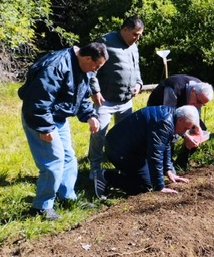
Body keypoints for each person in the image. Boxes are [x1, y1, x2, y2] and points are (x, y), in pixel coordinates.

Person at [18, 42, 108, 220]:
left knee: (68, 158)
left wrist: (89, 114)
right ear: (88, 58)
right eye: (96, 66)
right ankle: (41, 208)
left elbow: (80, 95)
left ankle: (67, 198)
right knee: (53, 161)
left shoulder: (83, 68)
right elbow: (38, 99)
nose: (96, 70)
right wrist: (44, 127)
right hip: (40, 117)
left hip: (58, 117)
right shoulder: (56, 65)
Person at [94, 105, 200, 198]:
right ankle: (106, 177)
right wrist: (159, 187)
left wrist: (168, 170)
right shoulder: (164, 122)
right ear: (180, 120)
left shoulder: (171, 115)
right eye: (186, 128)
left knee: (149, 177)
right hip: (120, 151)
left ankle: (128, 173)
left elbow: (165, 143)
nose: (185, 132)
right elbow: (155, 155)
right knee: (146, 186)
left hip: (128, 147)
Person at [88, 16, 144, 180]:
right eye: (135, 34)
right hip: (105, 100)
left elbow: (136, 69)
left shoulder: (134, 46)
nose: (137, 38)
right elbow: (92, 69)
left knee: (125, 136)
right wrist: (95, 91)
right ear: (124, 30)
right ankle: (95, 168)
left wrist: (139, 84)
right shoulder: (105, 42)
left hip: (126, 101)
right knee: (99, 133)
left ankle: (121, 164)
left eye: (139, 35)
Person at [146, 74, 214, 169]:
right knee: (170, 133)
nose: (198, 105)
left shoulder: (199, 88)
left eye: (202, 104)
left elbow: (195, 112)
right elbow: (169, 118)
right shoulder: (173, 89)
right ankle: (165, 165)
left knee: (199, 131)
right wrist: (185, 135)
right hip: (160, 110)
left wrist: (197, 126)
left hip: (181, 110)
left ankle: (180, 163)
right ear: (193, 91)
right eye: (198, 101)